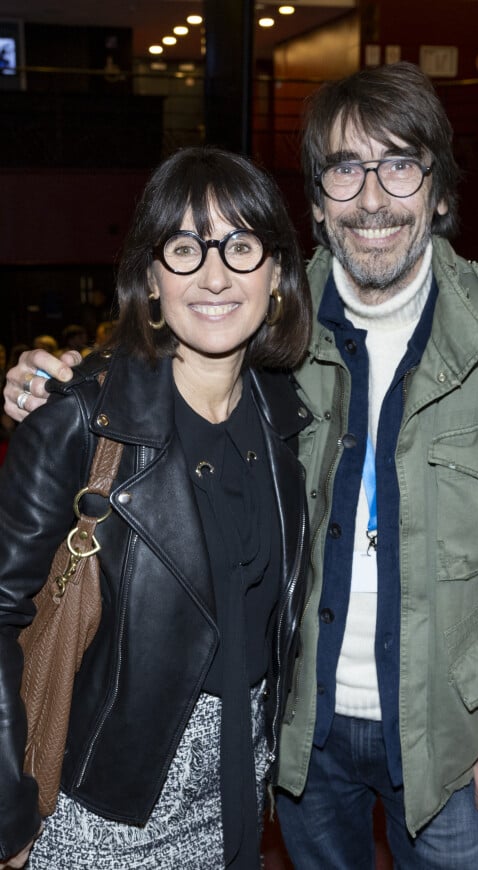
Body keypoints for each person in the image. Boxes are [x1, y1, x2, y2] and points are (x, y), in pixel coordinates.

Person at [5, 62, 478, 869]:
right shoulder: (275, 327)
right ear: (316, 202)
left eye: (400, 165)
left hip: (447, 730)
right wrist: (54, 376)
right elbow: (159, 366)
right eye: (346, 168)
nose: (372, 196)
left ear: (439, 193)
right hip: (297, 733)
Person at [0, 145, 312, 870]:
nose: (213, 274)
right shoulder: (79, 422)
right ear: (150, 278)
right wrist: (7, 806)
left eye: (240, 246)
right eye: (184, 248)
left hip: (238, 785)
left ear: (275, 277)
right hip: (101, 801)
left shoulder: (286, 417)